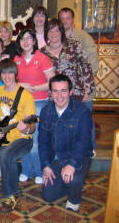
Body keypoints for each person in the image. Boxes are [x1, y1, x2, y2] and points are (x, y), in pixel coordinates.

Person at [0, 59, 36, 213]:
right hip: (2, 139)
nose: (7, 76)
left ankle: (10, 196)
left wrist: (25, 129)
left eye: (10, 72)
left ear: (15, 73)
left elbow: (32, 127)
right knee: (1, 154)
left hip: (22, 139)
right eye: (3, 73)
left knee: (6, 154)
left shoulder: (25, 95)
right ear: (0, 74)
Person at [39, 74, 93, 212]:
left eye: (63, 91)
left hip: (79, 156)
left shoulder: (82, 111)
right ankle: (71, 181)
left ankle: (75, 196)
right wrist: (46, 165)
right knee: (48, 196)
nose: (59, 95)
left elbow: (83, 142)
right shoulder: (46, 111)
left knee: (73, 179)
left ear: (71, 92)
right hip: (57, 158)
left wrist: (72, 165)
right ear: (50, 93)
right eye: (55, 91)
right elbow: (43, 141)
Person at [15, 29, 55, 184]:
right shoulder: (16, 58)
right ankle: (26, 170)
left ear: (34, 41)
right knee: (23, 137)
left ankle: (39, 171)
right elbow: (9, 80)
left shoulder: (42, 58)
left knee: (37, 140)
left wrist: (35, 88)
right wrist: (21, 85)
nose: (26, 41)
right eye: (23, 39)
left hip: (38, 102)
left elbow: (52, 81)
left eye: (29, 38)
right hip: (22, 104)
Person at [58, 7, 98, 151]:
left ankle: (90, 147)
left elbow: (92, 63)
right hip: (65, 90)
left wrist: (86, 86)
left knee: (85, 118)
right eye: (62, 19)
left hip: (83, 88)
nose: (65, 21)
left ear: (73, 20)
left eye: (67, 18)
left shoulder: (83, 37)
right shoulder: (58, 37)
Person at [40, 19, 95, 102]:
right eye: (50, 31)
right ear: (46, 33)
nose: (53, 34)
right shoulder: (41, 52)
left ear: (61, 32)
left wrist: (87, 91)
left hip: (76, 94)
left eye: (57, 31)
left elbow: (86, 67)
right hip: (53, 97)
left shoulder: (74, 46)